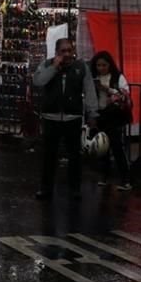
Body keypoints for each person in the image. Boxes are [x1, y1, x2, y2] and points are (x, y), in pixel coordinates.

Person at [33, 38, 98, 201]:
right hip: (51, 117)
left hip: (72, 117)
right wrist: (54, 66)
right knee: (49, 155)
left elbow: (89, 90)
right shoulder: (47, 65)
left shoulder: (80, 67)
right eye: (63, 51)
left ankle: (75, 189)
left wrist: (92, 113)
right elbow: (39, 81)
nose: (67, 54)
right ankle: (46, 188)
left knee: (74, 156)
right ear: (57, 52)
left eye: (70, 50)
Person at [90, 51, 132, 191]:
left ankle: (125, 179)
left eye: (104, 65)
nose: (101, 68)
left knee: (117, 146)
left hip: (114, 116)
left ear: (109, 65)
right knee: (102, 148)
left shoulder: (117, 77)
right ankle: (104, 176)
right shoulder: (93, 78)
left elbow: (124, 94)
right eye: (98, 65)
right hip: (100, 115)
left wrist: (107, 89)